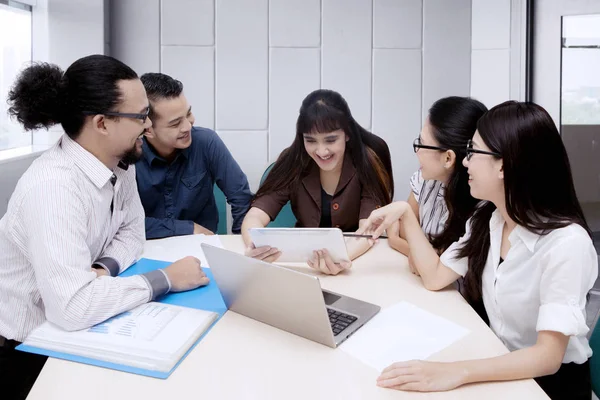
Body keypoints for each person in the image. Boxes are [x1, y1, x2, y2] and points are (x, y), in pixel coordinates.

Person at [0, 55, 208, 400]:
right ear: (101, 123)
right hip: (26, 352)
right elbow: (72, 307)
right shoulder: (54, 188)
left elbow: (132, 231)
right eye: (142, 116)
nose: (149, 127)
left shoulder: (119, 162)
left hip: (72, 334)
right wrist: (167, 279)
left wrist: (102, 269)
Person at [360, 101, 596, 399]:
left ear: (504, 165)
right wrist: (406, 214)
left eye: (473, 152)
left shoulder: (566, 244)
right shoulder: (489, 218)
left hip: (547, 386)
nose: (466, 162)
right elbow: (434, 276)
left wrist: (457, 371)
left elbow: (547, 357)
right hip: (498, 364)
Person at [241, 89, 394, 275]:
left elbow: (367, 231)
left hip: (357, 263)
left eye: (330, 140)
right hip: (303, 266)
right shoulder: (294, 161)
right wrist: (254, 247)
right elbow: (254, 216)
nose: (321, 151)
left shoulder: (367, 161)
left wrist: (341, 259)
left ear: (347, 134)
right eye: (311, 141)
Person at [136, 72, 253, 238]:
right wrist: (187, 228)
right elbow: (123, 224)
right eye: (176, 123)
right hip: (147, 248)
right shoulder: (130, 156)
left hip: (203, 247)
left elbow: (241, 197)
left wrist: (240, 243)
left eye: (188, 114)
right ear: (147, 129)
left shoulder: (206, 142)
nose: (187, 126)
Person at [388, 97, 487, 264]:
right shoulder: (425, 179)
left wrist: (402, 244)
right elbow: (401, 227)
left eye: (422, 144)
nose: (417, 150)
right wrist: (419, 252)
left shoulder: (481, 208)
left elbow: (439, 265)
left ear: (448, 158)